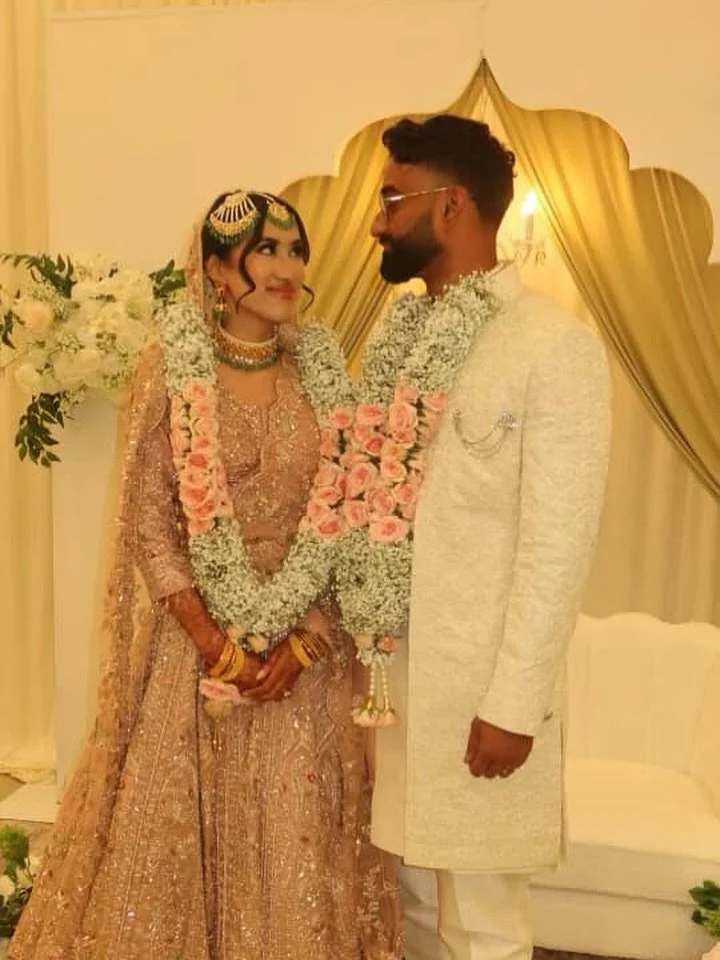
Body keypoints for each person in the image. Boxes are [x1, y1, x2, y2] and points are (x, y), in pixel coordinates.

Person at [10, 190, 400, 960]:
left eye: (295, 251)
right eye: (266, 251)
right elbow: (152, 519)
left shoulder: (323, 375)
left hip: (304, 662)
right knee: (168, 847)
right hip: (191, 658)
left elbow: (349, 517)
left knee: (295, 844)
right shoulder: (171, 368)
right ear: (218, 271)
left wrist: (304, 643)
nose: (287, 268)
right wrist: (210, 637)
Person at [357, 116, 612, 959]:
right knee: (416, 913)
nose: (377, 221)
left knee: (487, 925)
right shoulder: (394, 342)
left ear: (453, 204)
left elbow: (558, 546)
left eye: (394, 198)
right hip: (390, 690)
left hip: (479, 697)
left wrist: (513, 704)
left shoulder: (552, 347)